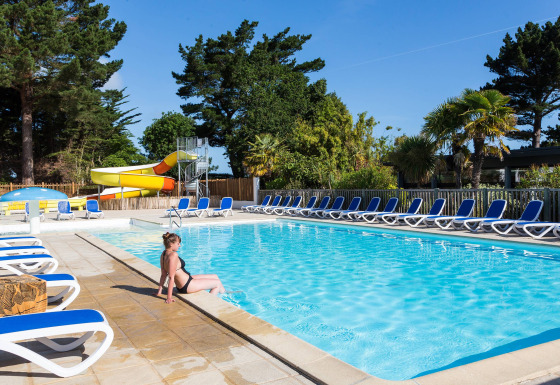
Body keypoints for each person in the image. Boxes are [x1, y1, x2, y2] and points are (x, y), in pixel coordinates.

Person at [155, 232, 225, 303]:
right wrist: (169, 297)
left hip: (187, 280)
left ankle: (224, 294)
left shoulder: (163, 254)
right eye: (178, 243)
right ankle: (208, 302)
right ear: (171, 244)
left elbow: (163, 275)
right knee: (217, 283)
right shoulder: (173, 255)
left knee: (215, 276)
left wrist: (159, 292)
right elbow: (171, 277)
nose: (179, 245)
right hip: (187, 285)